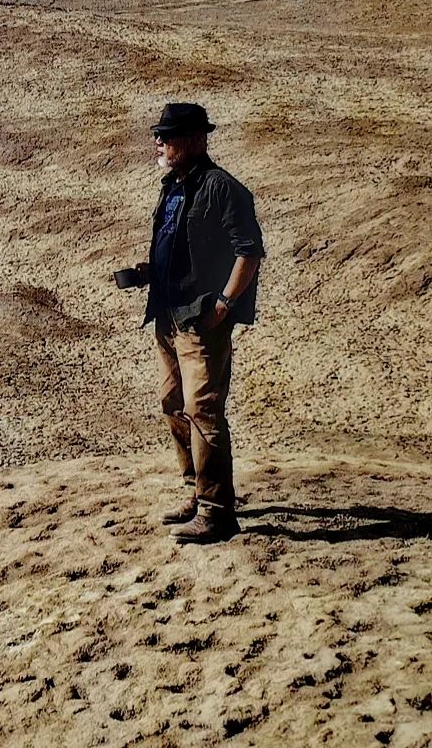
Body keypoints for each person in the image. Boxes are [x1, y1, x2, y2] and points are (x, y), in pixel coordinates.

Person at [138, 103, 265, 544]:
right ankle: (196, 490)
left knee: (203, 410)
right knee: (172, 403)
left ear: (194, 140)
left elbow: (249, 250)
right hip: (168, 314)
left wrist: (225, 304)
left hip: (200, 319)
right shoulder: (173, 185)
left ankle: (216, 511)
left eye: (166, 135)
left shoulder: (223, 188)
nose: (158, 141)